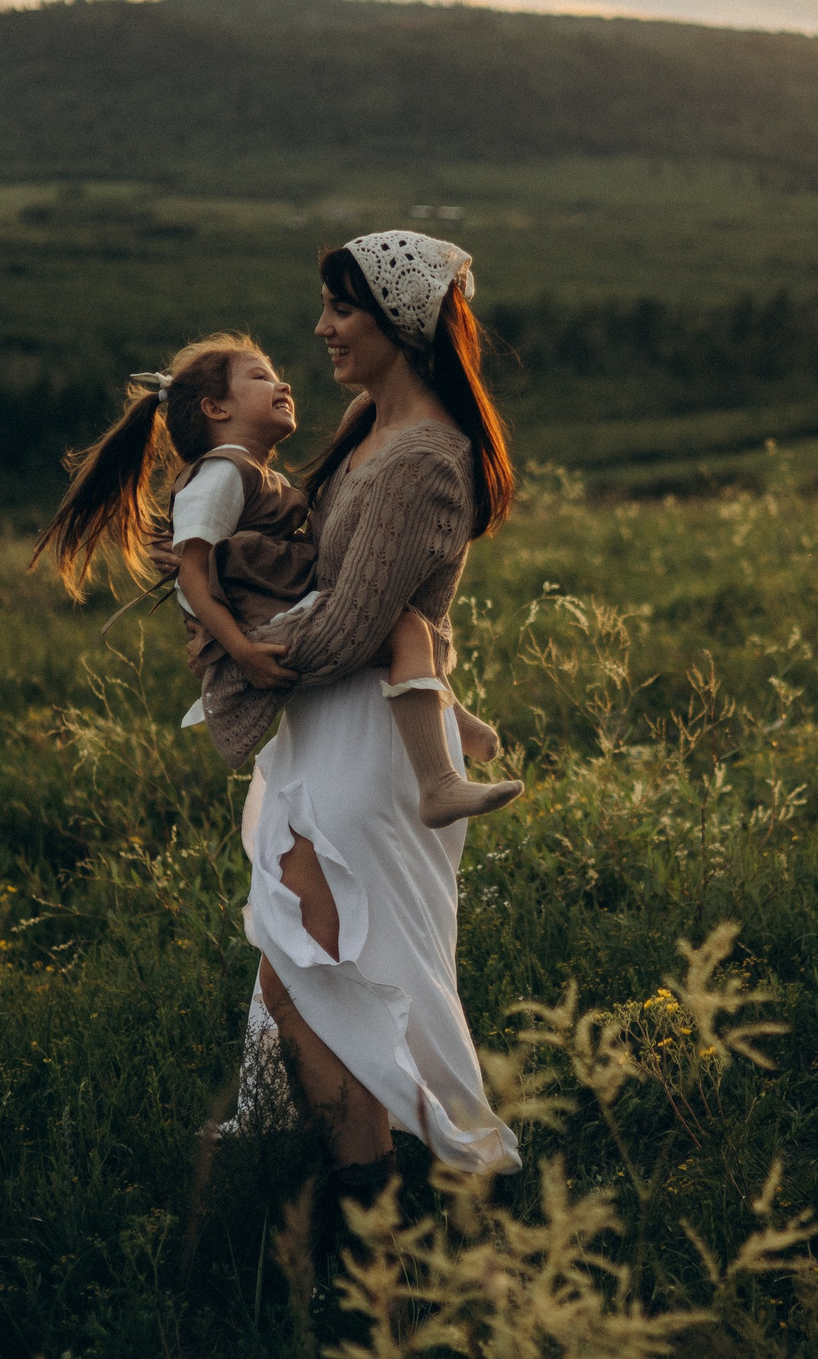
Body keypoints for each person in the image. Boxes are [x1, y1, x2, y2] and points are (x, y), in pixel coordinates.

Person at [216, 230, 525, 1204]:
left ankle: (373, 1214)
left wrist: (239, 653)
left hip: (366, 747)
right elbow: (325, 575)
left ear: (402, 321)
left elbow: (354, 628)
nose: (322, 327)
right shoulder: (367, 423)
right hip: (324, 733)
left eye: (343, 308)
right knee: (292, 980)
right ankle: (353, 1197)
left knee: (329, 983)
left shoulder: (428, 459)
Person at [27, 333, 516, 828]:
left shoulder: (253, 475)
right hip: (266, 623)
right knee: (407, 628)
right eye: (261, 377)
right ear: (216, 408)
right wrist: (240, 650)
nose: (282, 385)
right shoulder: (220, 476)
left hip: (286, 603)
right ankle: (437, 782)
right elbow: (193, 576)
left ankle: (446, 720)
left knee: (408, 623)